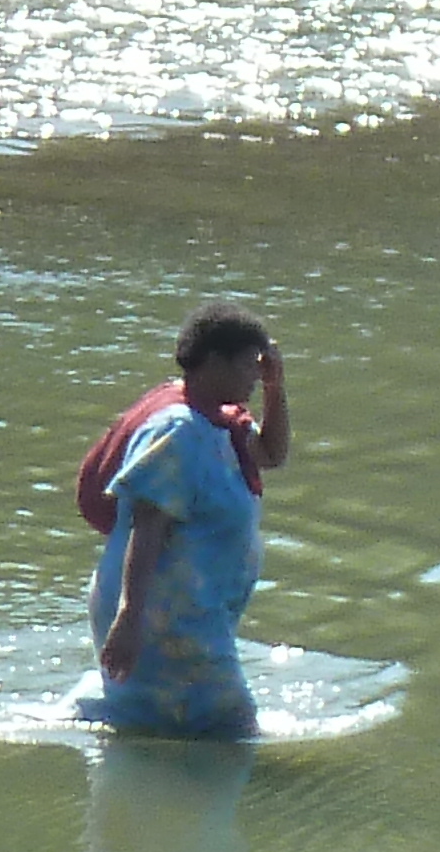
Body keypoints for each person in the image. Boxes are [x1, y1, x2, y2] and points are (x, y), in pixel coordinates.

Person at [81, 303, 290, 738]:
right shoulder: (178, 431)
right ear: (214, 361)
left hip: (192, 616)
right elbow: (147, 524)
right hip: (163, 617)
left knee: (163, 729)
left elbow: (272, 454)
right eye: (249, 366)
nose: (256, 375)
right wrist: (130, 616)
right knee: (232, 733)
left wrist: (275, 387)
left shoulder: (220, 423)